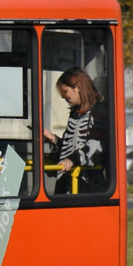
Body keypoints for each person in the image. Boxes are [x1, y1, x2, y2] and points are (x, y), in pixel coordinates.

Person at [43, 66, 108, 194]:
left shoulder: (100, 111)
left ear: (78, 87)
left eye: (65, 92)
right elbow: (71, 148)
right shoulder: (75, 114)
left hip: (88, 187)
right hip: (66, 186)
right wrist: (54, 139)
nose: (63, 97)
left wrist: (71, 160)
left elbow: (95, 147)